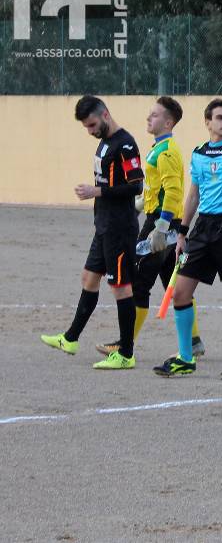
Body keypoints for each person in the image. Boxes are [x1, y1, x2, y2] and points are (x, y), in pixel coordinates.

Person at [152, 98, 222, 379]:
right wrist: (181, 231)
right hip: (202, 228)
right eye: (219, 117)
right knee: (180, 293)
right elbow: (193, 194)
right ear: (207, 122)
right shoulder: (199, 152)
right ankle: (185, 358)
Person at [95, 97, 206, 361]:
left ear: (168, 122)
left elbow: (175, 190)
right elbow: (158, 188)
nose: (148, 118)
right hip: (161, 220)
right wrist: (139, 204)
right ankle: (195, 340)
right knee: (172, 281)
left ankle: (125, 345)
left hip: (160, 224)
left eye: (154, 115)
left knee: (138, 282)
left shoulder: (166, 151)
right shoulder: (159, 148)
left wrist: (162, 225)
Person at [42, 96, 144, 370]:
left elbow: (136, 187)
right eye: (86, 127)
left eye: (92, 125)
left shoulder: (125, 144)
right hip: (104, 226)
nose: (90, 131)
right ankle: (71, 338)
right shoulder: (105, 141)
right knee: (89, 277)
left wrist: (95, 192)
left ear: (105, 115)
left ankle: (125, 354)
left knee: (121, 287)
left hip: (120, 228)